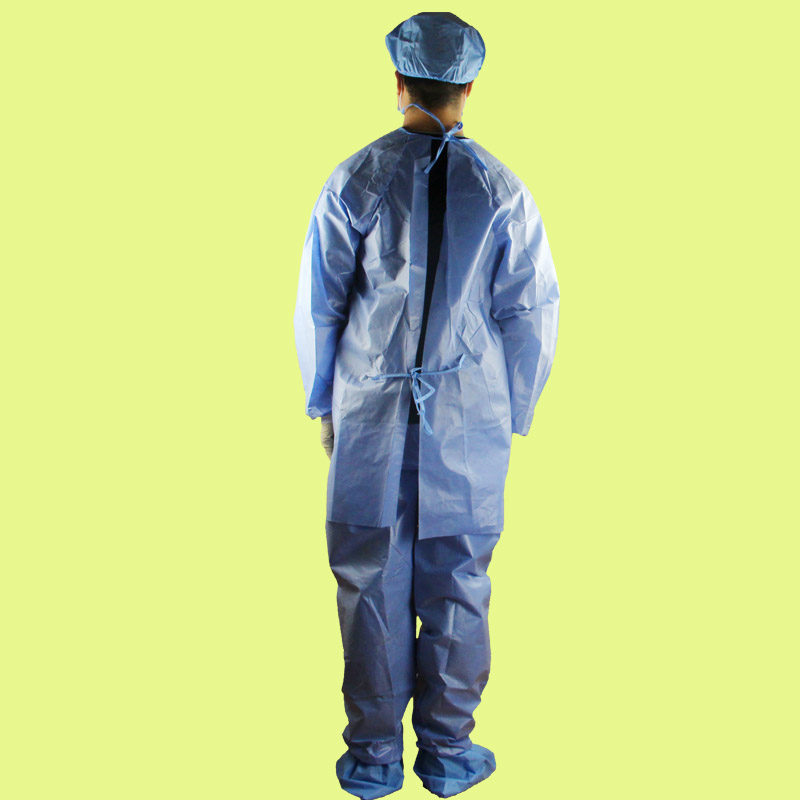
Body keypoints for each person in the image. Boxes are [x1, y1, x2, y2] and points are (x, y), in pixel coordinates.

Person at [293, 12, 560, 799]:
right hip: (468, 425)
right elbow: (531, 312)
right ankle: (448, 753)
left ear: (399, 81)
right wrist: (514, 410)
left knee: (370, 582)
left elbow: (321, 305)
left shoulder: (356, 180)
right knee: (459, 583)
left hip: (370, 421)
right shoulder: (502, 191)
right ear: (470, 85)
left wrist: (322, 403)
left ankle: (374, 758)